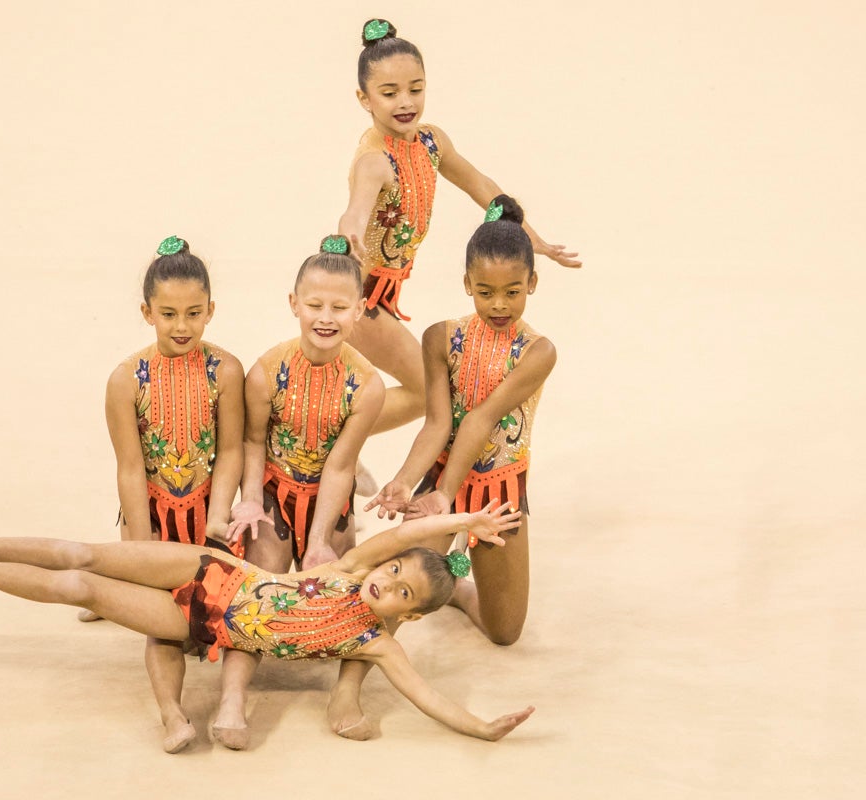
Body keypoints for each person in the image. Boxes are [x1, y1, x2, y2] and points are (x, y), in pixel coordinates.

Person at [0, 503, 536, 751]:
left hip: (202, 620)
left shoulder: (375, 643)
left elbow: (425, 696)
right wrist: (466, 521)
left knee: (78, 588)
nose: (386, 584)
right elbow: (405, 532)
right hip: (212, 569)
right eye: (393, 571)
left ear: (411, 614)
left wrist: (481, 726)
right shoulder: (349, 568)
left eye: (402, 594)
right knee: (82, 553)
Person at [331, 195, 557, 738]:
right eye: (485, 292)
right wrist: (408, 483)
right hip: (443, 483)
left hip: (499, 494)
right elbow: (438, 423)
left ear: (533, 284)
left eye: (512, 291)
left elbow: (480, 420)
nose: (498, 303)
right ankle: (346, 695)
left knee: (505, 632)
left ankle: (455, 589)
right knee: (389, 593)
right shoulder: (441, 338)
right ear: (465, 284)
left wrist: (448, 495)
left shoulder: (538, 351)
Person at [337, 18, 579, 434]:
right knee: (430, 394)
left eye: (416, 88)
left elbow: (480, 184)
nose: (405, 101)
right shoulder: (375, 159)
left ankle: (329, 445)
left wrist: (532, 239)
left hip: (383, 295)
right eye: (389, 93)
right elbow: (355, 211)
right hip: (359, 298)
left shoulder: (432, 142)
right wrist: (348, 236)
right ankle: (331, 445)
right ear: (364, 98)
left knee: (356, 389)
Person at [210, 236, 385, 748]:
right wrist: (248, 498)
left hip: (330, 493)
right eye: (314, 306)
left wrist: (319, 542)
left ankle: (347, 693)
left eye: (339, 306)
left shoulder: (366, 384)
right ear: (294, 305)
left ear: (360, 308)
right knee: (256, 589)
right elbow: (251, 441)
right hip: (275, 488)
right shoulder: (268, 371)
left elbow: (340, 465)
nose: (325, 317)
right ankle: (232, 700)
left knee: (357, 597)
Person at [78, 235, 246, 748]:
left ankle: (112, 587)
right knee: (162, 623)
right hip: (151, 514)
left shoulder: (226, 370)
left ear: (211, 310)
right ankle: (172, 714)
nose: (181, 326)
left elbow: (232, 452)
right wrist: (141, 546)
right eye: (168, 314)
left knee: (225, 618)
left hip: (205, 513)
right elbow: (130, 468)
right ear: (146, 311)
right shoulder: (126, 379)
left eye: (193, 313)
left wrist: (218, 519)